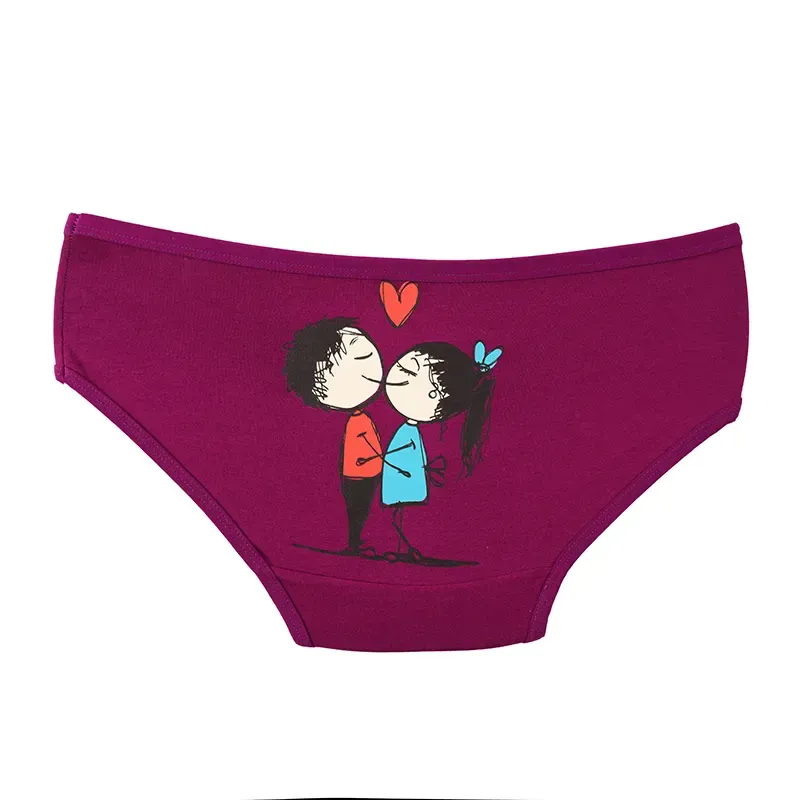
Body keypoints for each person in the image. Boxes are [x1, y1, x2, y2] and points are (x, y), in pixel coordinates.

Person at [380, 340, 502, 562]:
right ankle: (401, 548)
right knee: (398, 513)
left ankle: (404, 549)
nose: (392, 375)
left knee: (402, 513)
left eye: (407, 372)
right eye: (400, 366)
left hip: (406, 477)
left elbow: (413, 455)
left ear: (433, 395)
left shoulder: (410, 432)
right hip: (403, 476)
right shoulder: (408, 430)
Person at [283, 317, 384, 552]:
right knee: (357, 508)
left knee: (364, 508)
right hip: (356, 475)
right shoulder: (355, 422)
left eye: (365, 357)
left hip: (368, 473)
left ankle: (356, 541)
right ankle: (354, 542)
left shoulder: (362, 418)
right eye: (360, 359)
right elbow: (356, 451)